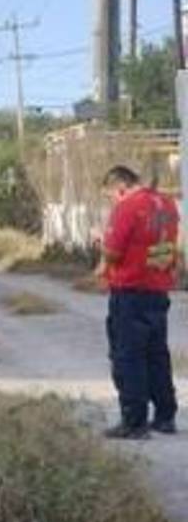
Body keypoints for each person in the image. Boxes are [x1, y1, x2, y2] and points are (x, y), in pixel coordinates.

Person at [97, 165, 180, 439]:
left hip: (130, 290)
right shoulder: (166, 203)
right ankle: (165, 416)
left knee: (128, 357)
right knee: (156, 355)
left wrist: (100, 256)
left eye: (110, 196)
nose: (112, 202)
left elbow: (113, 251)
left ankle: (134, 421)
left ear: (119, 187)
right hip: (158, 289)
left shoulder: (127, 207)